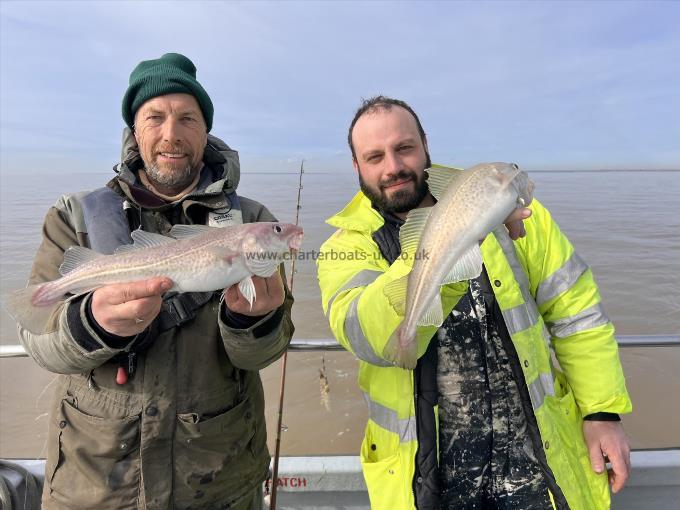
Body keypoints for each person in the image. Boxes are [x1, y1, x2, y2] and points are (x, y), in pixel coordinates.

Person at [317, 96, 631, 509]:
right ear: (357, 166)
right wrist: (454, 236)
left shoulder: (520, 217)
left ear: (426, 145)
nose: (392, 167)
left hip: (537, 463)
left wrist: (601, 413)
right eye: (374, 156)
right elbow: (369, 337)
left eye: (404, 148)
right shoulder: (344, 247)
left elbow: (577, 314)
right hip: (430, 482)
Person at [17, 53, 294, 509]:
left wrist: (254, 322)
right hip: (95, 485)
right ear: (134, 130)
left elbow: (265, 353)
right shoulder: (73, 215)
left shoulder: (253, 222)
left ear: (205, 131)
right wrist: (94, 324)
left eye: (188, 117)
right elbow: (39, 341)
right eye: (155, 117)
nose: (172, 133)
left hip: (220, 481)